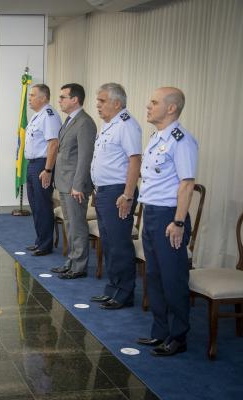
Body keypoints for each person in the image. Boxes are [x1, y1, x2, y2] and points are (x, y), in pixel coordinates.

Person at [136, 87, 198, 356]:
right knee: (154, 276)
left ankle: (178, 336)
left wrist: (179, 222)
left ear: (171, 108)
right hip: (151, 212)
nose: (148, 106)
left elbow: (187, 184)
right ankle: (159, 331)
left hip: (169, 217)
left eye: (154, 102)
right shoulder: (156, 137)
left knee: (173, 279)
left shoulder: (181, 140)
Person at [89, 83, 142, 309]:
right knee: (109, 242)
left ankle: (124, 293)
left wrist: (128, 195)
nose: (98, 105)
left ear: (117, 103)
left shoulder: (126, 125)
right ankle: (113, 288)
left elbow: (135, 160)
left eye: (102, 101)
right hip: (104, 191)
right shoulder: (109, 125)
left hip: (118, 192)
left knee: (119, 244)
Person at [52, 83, 96, 279]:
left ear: (75, 99)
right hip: (64, 182)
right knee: (69, 224)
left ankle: (79, 266)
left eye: (63, 97)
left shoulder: (85, 122)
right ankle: (71, 260)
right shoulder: (69, 120)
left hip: (75, 185)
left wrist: (78, 184)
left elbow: (85, 157)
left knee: (77, 225)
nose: (59, 100)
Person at [24, 84, 61, 257]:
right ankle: (40, 240)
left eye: (32, 95)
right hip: (32, 163)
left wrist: (48, 170)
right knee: (35, 205)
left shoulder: (49, 115)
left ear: (43, 98)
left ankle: (46, 244)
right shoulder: (36, 116)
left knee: (43, 204)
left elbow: (53, 143)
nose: (29, 98)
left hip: (42, 164)